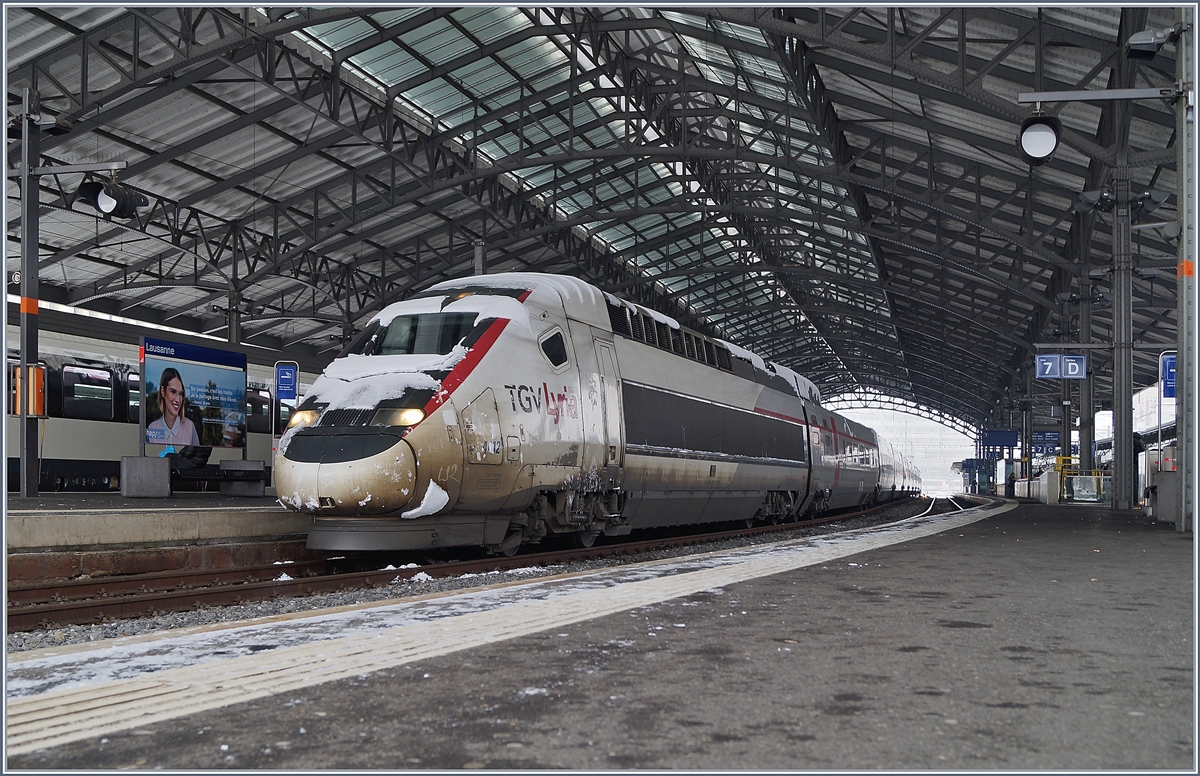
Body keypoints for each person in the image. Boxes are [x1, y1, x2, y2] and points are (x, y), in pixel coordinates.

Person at [147, 367, 200, 446]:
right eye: (173, 391)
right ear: (163, 391)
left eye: (181, 394)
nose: (178, 400)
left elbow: (198, 457)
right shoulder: (152, 428)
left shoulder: (190, 427)